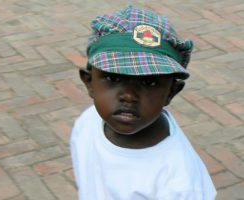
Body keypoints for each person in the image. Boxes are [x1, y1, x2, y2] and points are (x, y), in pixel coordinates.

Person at [70, 5, 217, 200]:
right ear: (89, 82)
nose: (129, 96)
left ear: (171, 92)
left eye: (149, 82)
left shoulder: (182, 184)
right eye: (114, 78)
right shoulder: (87, 123)